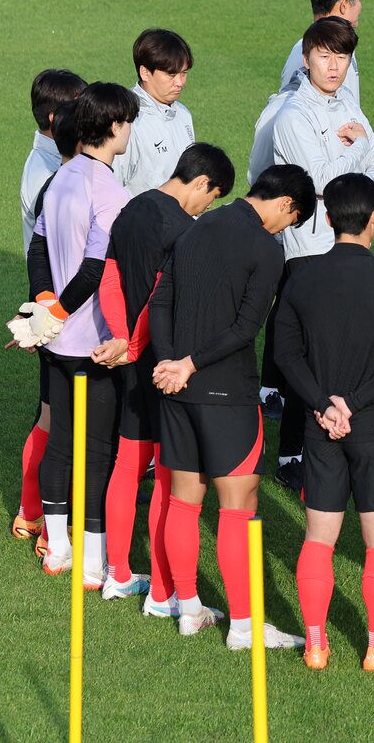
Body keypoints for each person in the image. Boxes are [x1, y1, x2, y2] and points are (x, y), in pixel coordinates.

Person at [148, 164, 314, 649]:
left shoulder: (196, 227)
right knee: (238, 506)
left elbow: (161, 302)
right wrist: (191, 364)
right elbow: (246, 328)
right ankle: (244, 627)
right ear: (286, 204)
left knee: (184, 500)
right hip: (224, 392)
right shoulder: (266, 248)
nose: (287, 229)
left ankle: (188, 609)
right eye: (293, 220)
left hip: (175, 387)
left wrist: (169, 363)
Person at [276, 174, 374, 671]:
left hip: (320, 427)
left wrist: (325, 404)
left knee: (319, 537)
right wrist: (353, 403)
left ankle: (316, 645)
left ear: (329, 217)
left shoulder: (300, 278)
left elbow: (284, 355)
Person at [92, 144, 235, 609]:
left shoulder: (132, 206)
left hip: (129, 362)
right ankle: (161, 590)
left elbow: (110, 276)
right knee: (170, 478)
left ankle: (117, 573)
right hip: (164, 365)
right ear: (201, 183)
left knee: (127, 466)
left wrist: (120, 339)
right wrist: (134, 345)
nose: (207, 208)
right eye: (211, 198)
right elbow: (159, 298)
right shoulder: (181, 230)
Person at [268, 16, 374, 488]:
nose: (333, 65)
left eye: (341, 56)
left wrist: (356, 151)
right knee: (305, 354)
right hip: (307, 247)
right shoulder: (292, 116)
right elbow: (319, 183)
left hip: (347, 242)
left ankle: (336, 432)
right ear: (305, 59)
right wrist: (356, 150)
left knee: (344, 348)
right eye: (324, 55)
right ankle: (288, 455)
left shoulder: (349, 106)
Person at [22, 82, 138, 584]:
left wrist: (46, 309)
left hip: (53, 343)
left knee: (60, 442)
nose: (131, 129)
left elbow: (36, 252)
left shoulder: (60, 177)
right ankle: (93, 563)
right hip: (92, 343)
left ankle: (58, 549)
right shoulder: (110, 191)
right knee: (97, 451)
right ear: (112, 127)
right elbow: (96, 270)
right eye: (128, 122)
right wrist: (62, 314)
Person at [13, 69, 85, 547]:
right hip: (62, 309)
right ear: (58, 118)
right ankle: (45, 522)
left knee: (53, 415)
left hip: (52, 305)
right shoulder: (53, 176)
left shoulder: (47, 163)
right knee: (59, 420)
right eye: (81, 109)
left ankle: (31, 513)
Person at [114, 29, 196, 197]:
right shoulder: (126, 119)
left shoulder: (183, 114)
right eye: (171, 74)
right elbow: (112, 186)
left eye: (184, 73)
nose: (180, 82)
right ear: (145, 72)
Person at [280, 0, 365, 105]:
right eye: (358, 0)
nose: (361, 6)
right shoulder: (308, 51)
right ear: (344, 6)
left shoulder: (340, 43)